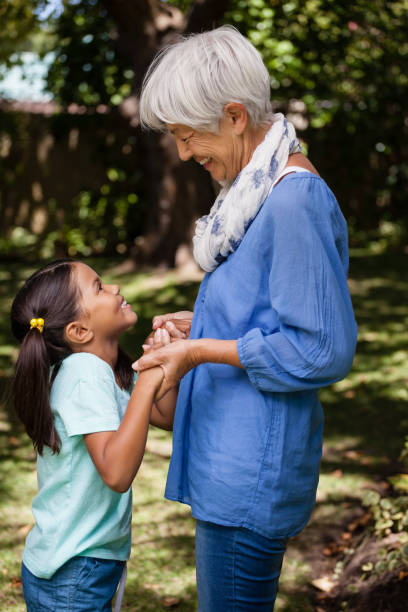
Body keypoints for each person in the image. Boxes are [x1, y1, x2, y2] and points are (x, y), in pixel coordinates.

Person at [136, 25, 358, 611]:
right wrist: (200, 325)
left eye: (188, 136)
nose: (184, 154)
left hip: (250, 473)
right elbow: (268, 311)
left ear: (235, 115)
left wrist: (202, 352)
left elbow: (320, 348)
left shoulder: (291, 199)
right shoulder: (250, 195)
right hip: (227, 462)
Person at [10, 259, 176, 612]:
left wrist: (159, 362)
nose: (115, 289)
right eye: (99, 287)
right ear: (79, 331)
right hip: (74, 569)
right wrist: (147, 383)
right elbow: (116, 473)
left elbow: (166, 416)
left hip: (83, 561)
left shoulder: (103, 370)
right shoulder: (84, 373)